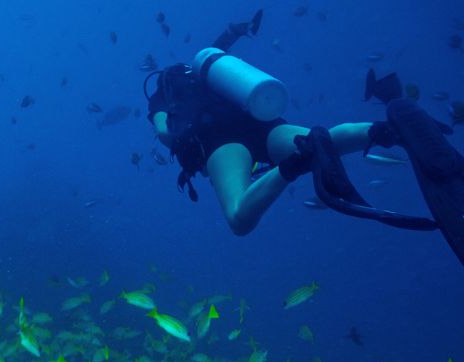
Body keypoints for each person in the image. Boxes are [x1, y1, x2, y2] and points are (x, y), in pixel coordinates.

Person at [144, 10, 464, 267]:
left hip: (220, 140)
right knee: (318, 139)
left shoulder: (161, 96)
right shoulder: (204, 72)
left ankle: (293, 165)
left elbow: (163, 133)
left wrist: (183, 139)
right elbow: (222, 49)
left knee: (239, 217)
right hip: (260, 120)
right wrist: (236, 30)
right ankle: (388, 131)